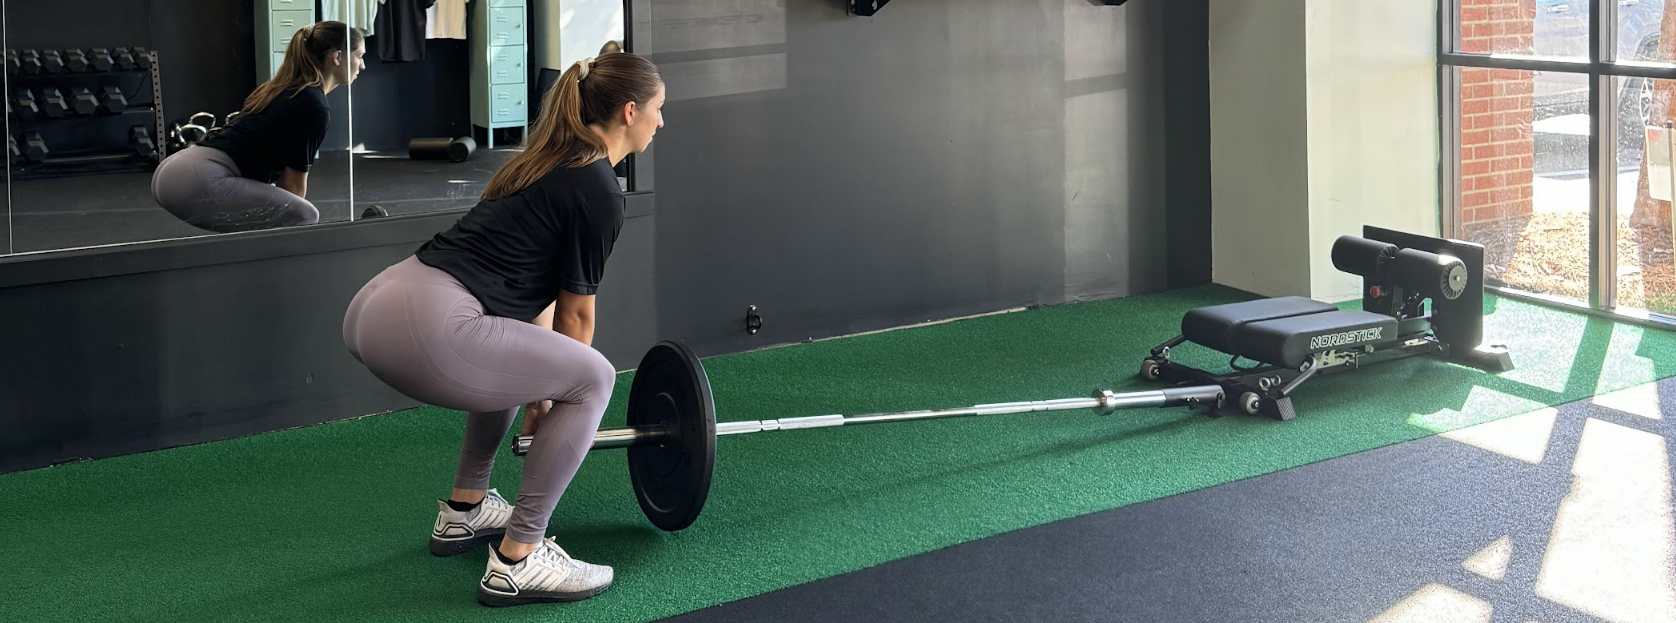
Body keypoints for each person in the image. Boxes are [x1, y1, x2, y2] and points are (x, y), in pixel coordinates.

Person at [341, 52, 665, 607]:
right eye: (659, 109)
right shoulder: (598, 188)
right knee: (593, 378)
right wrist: (553, 394)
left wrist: (540, 390)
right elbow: (576, 316)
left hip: (379, 306)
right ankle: (520, 556)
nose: (662, 121)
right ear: (630, 112)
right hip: (429, 323)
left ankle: (465, 510)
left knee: (509, 349)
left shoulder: (544, 160)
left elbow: (531, 310)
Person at [151, 22, 365, 233]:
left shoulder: (289, 89)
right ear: (337, 57)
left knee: (271, 216)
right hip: (199, 178)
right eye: (359, 56)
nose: (362, 65)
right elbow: (293, 189)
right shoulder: (313, 105)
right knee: (304, 215)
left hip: (176, 171)